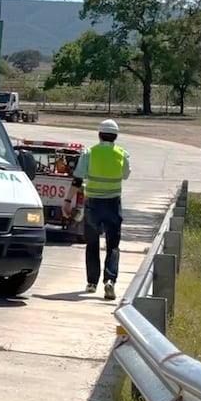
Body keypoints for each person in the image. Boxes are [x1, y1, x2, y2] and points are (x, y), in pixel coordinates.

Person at [63, 118, 131, 300]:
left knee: (92, 244)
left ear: (99, 135)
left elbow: (77, 180)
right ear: (115, 136)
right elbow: (126, 175)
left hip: (93, 204)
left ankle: (92, 282)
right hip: (113, 205)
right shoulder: (122, 154)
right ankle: (110, 280)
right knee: (113, 245)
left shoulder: (89, 153)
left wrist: (68, 201)